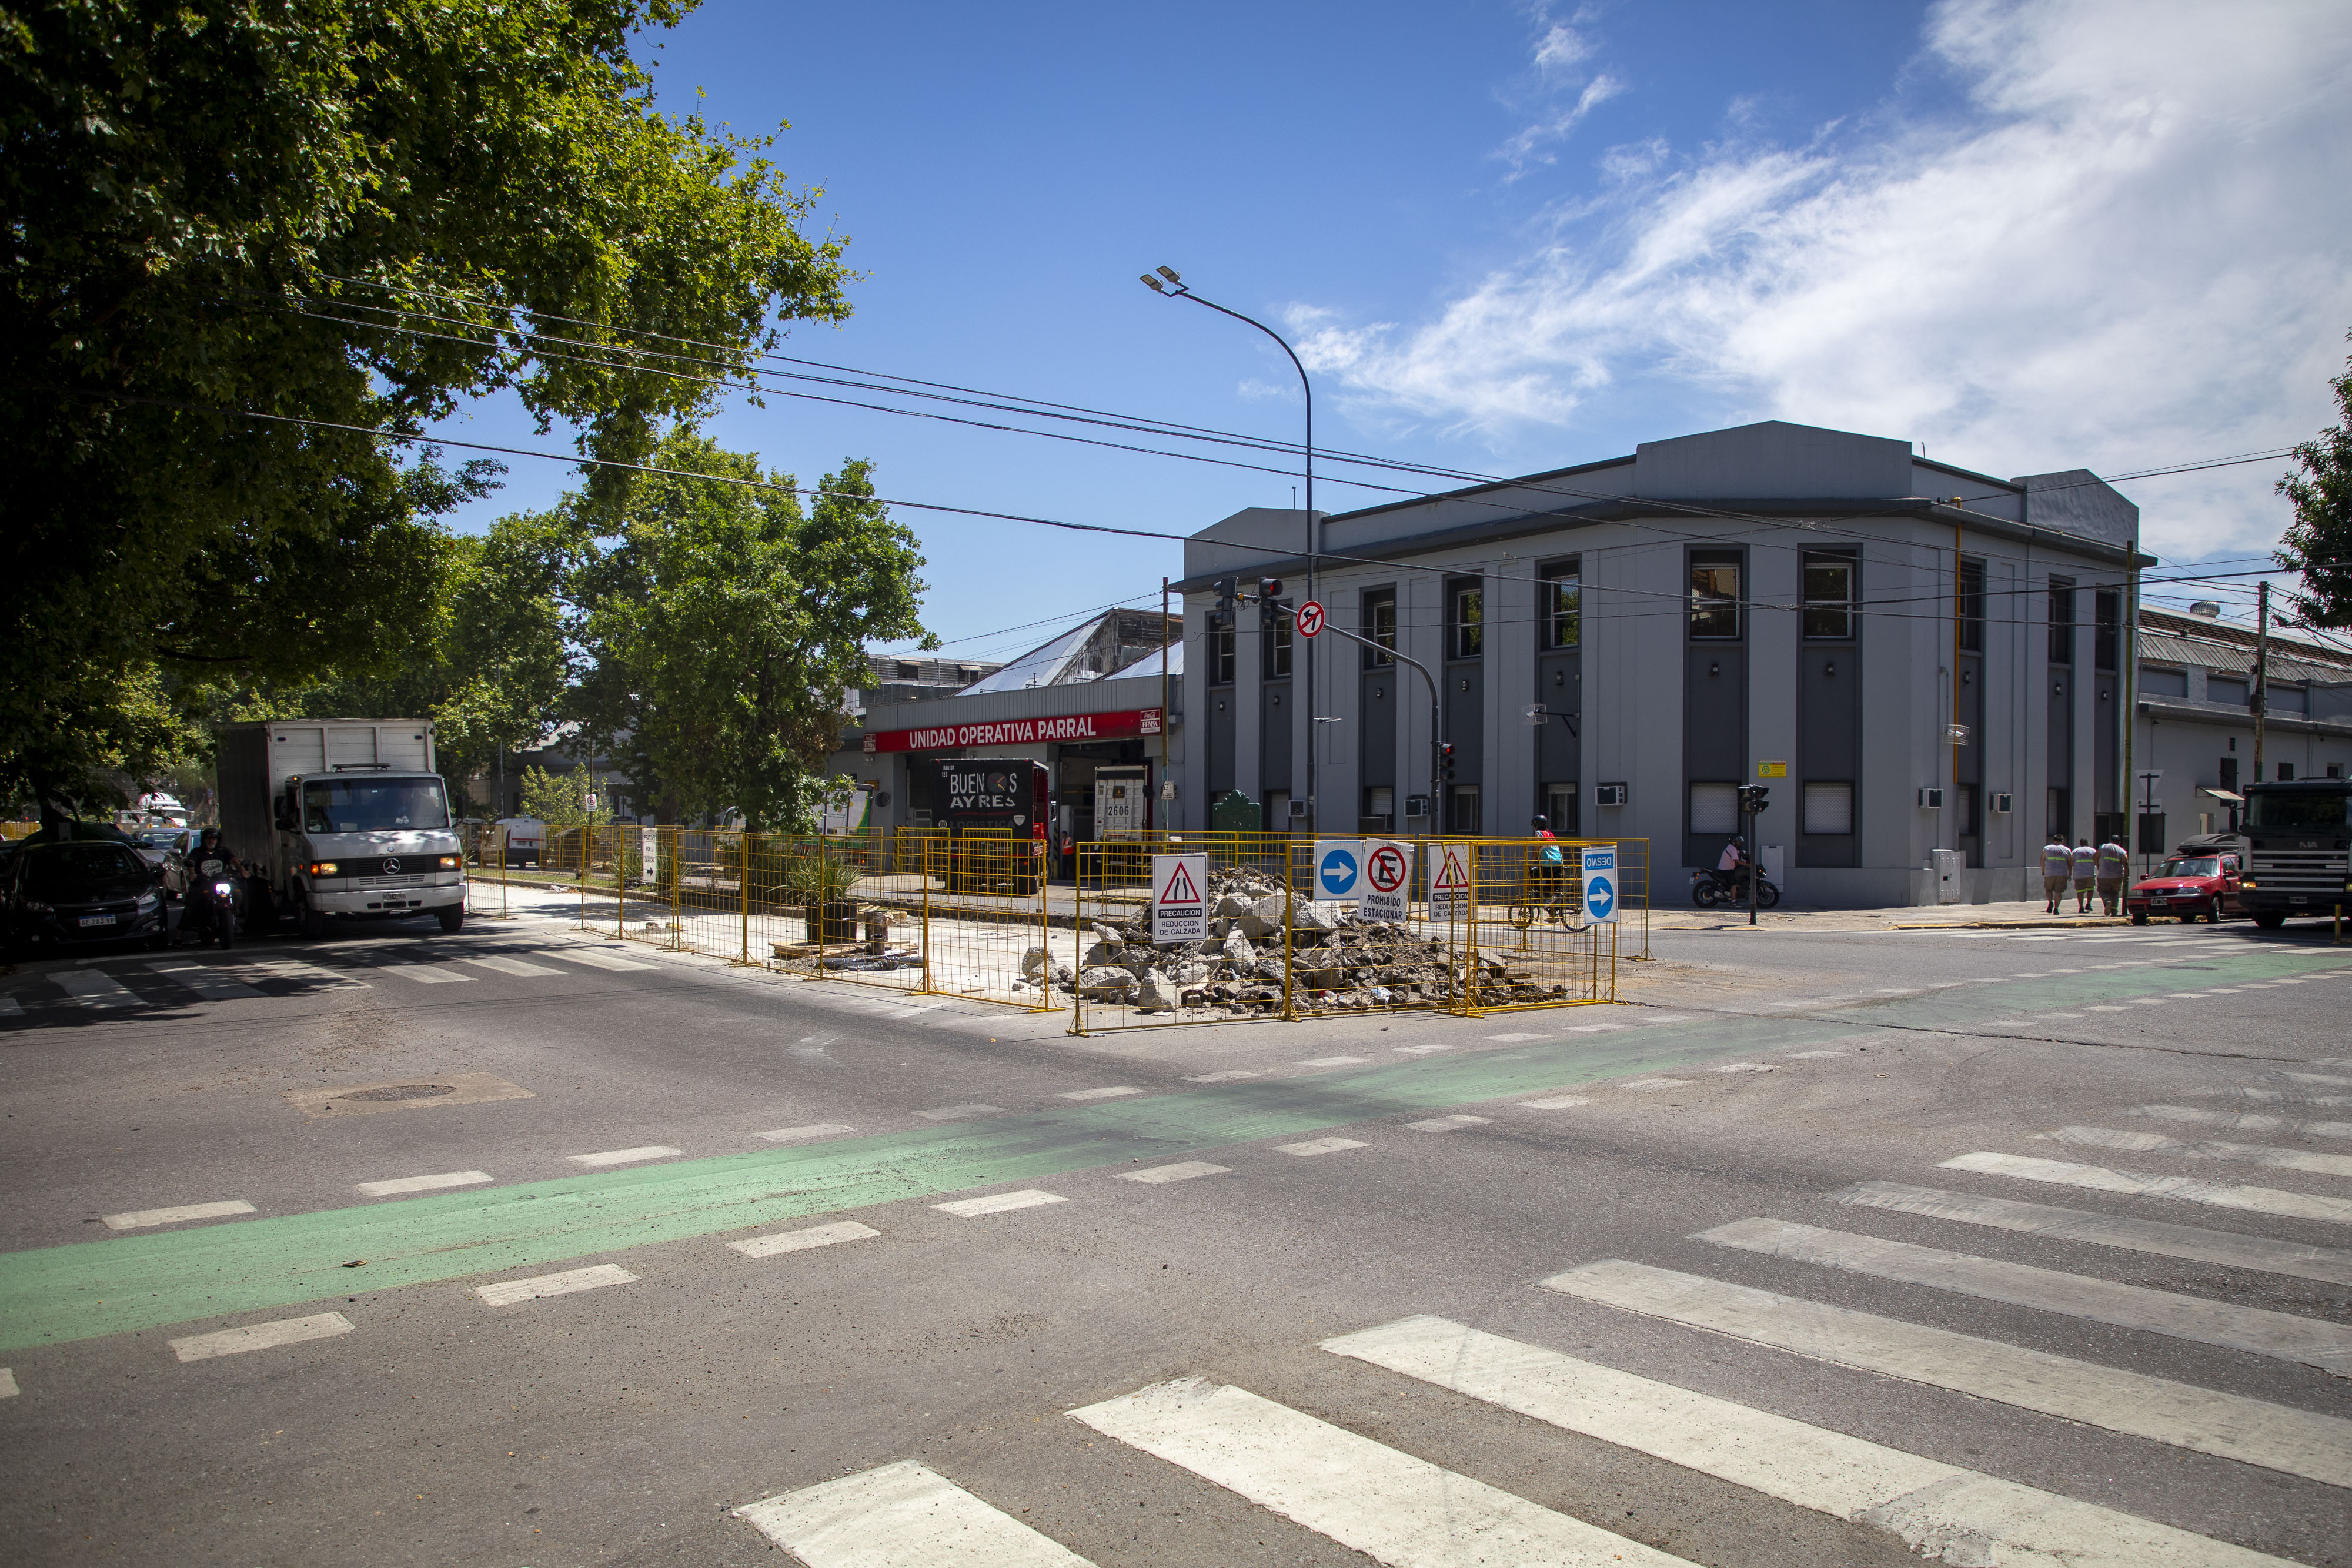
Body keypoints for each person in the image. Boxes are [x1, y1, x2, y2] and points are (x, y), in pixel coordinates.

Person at [1530, 815, 1566, 902]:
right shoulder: (1551, 834)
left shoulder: (1538, 833)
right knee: (1552, 886)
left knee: (1533, 875)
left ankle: (1542, 897)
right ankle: (1552, 902)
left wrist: (1529, 863)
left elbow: (1536, 850)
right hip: (1559, 865)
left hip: (1548, 865)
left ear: (1536, 826)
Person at [2096, 832, 2130, 917]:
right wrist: (2127, 875)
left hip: (2104, 875)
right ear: (2119, 842)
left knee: (2102, 891)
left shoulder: (2103, 847)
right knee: (2115, 893)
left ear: (2110, 840)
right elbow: (2126, 862)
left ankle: (2106, 901)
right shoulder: (2121, 851)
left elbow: (2095, 857)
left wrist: (2098, 866)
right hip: (2117, 876)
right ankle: (2114, 912)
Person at [2041, 834, 2072, 914]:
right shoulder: (2067, 850)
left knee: (2049, 890)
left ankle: (2051, 902)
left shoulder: (2047, 849)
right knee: (2058, 892)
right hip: (2062, 874)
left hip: (2049, 873)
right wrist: (2070, 874)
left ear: (2054, 840)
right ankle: (2056, 909)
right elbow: (2070, 864)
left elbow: (2042, 861)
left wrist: (2043, 871)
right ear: (2062, 841)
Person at [2069, 837, 2099, 915]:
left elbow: (2072, 862)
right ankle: (2089, 904)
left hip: (2079, 875)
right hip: (2090, 874)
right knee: (2091, 889)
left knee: (2080, 892)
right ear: (2088, 843)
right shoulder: (2093, 851)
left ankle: (2081, 907)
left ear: (2080, 844)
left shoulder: (2076, 851)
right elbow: (2096, 862)